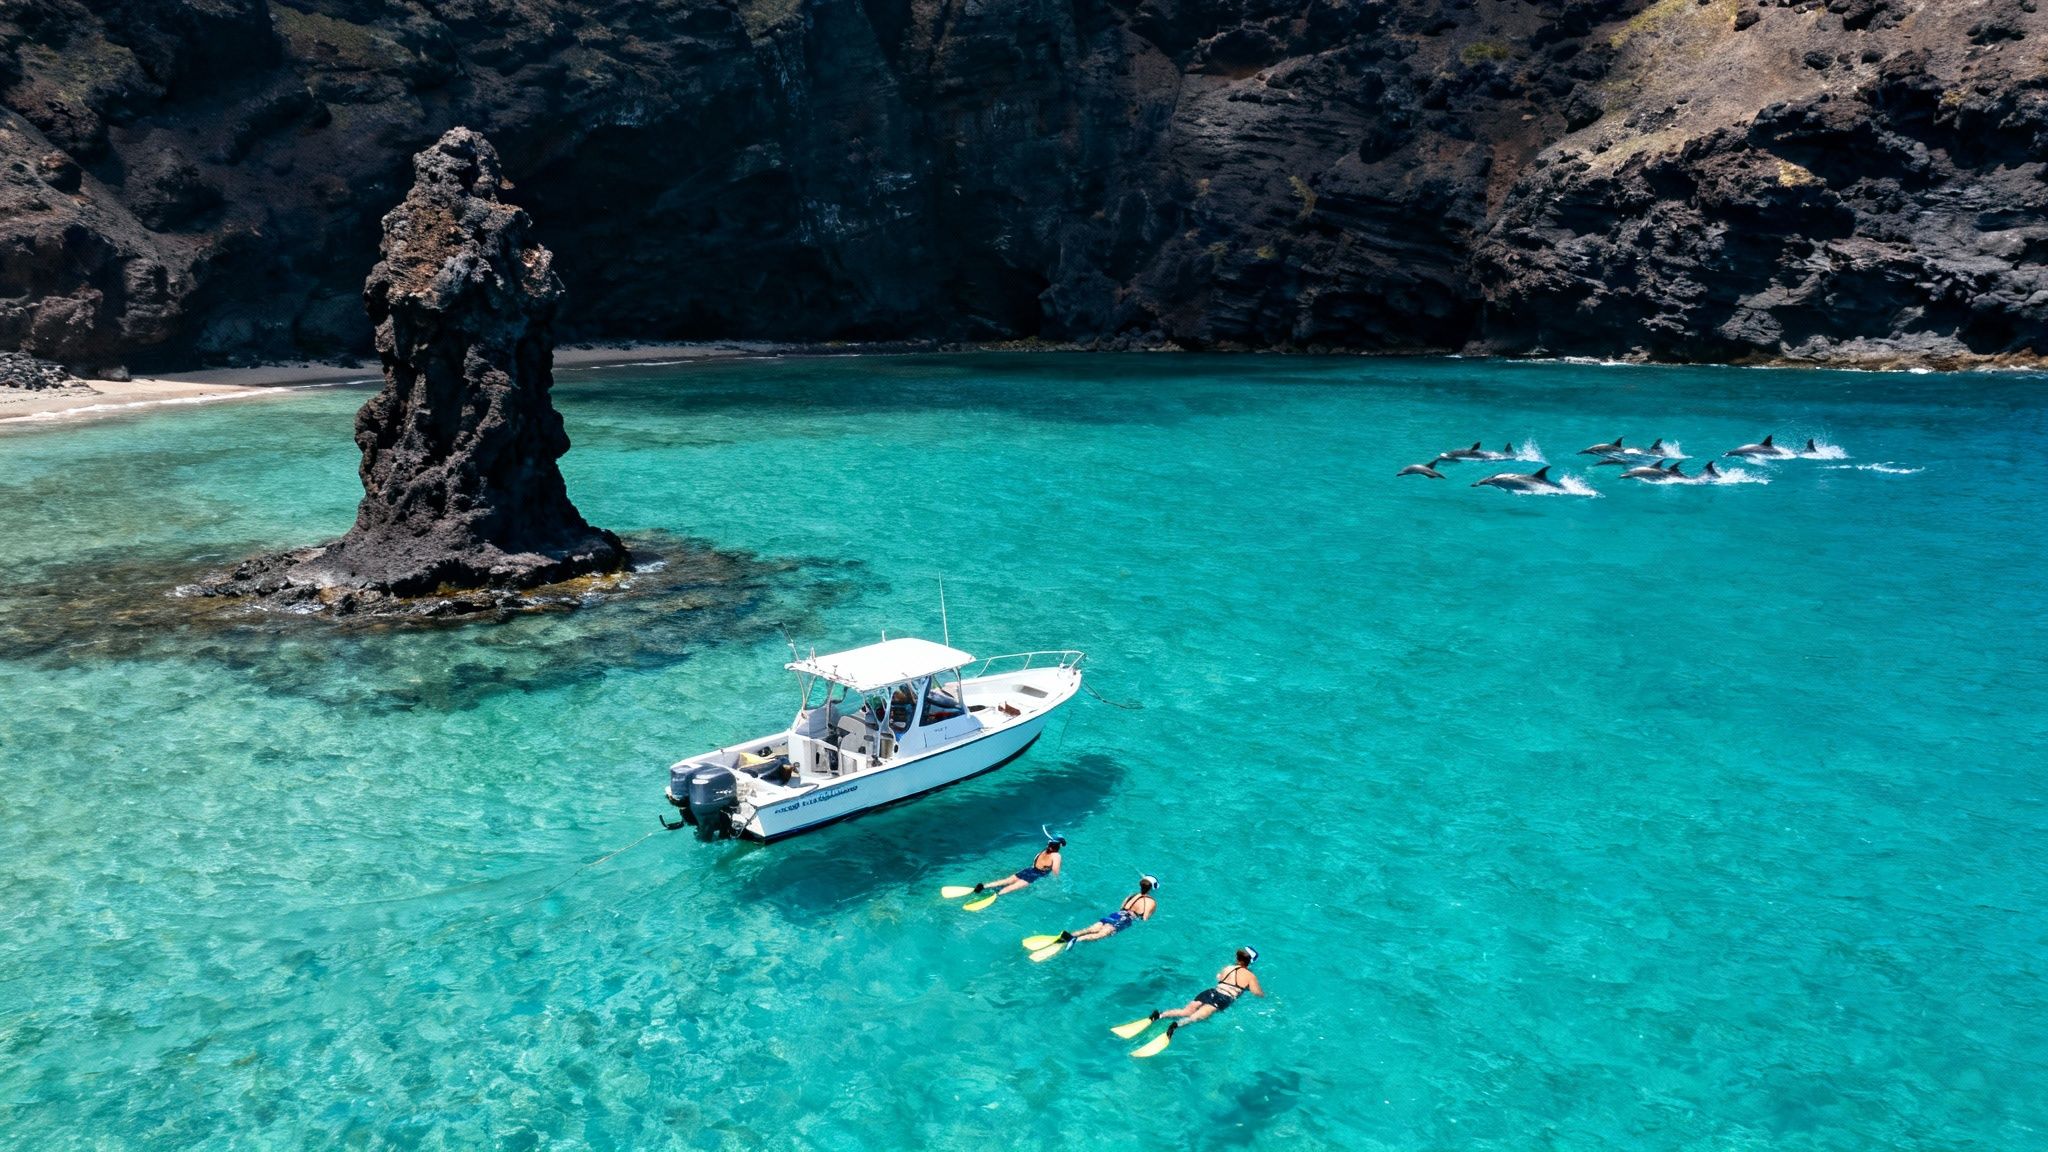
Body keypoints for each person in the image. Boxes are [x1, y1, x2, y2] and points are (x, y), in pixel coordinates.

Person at [1146, 947, 1264, 1037]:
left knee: (1186, 1011)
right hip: (1223, 998)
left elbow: (1219, 977)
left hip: (1211, 992)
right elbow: (1257, 993)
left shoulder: (1228, 968)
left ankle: (1160, 1015)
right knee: (1196, 1017)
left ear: (1238, 958)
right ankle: (1175, 1026)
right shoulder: (1251, 976)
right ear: (1250, 962)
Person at [1058, 875, 1158, 946]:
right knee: (1101, 934)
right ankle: (1075, 940)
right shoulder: (1151, 902)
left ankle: (1070, 935)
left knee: (1091, 929)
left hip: (1115, 915)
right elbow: (1145, 919)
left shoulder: (1131, 895)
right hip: (1124, 920)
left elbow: (1121, 907)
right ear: (1152, 888)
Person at [975, 836, 1064, 896]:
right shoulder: (1056, 855)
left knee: (1007, 880)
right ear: (1058, 847)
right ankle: (996, 895)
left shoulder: (1043, 851)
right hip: (1036, 875)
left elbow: (1035, 861)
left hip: (1029, 870)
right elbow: (1055, 871)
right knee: (1012, 887)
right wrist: (1056, 881)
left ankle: (983, 886)